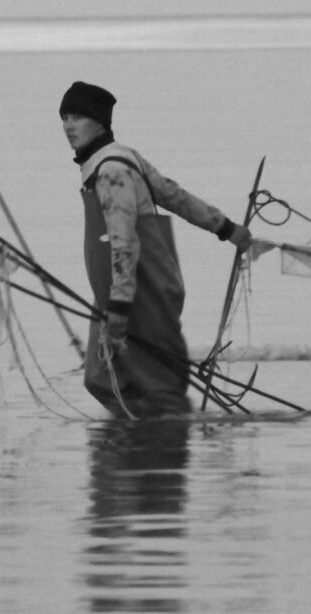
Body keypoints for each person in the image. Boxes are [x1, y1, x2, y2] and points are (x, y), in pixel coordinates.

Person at [60, 80, 252, 418]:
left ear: (100, 122)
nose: (68, 126)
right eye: (65, 117)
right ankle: (147, 435)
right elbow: (174, 195)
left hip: (137, 294)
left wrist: (119, 308)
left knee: (108, 380)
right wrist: (226, 227)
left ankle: (154, 437)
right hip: (123, 291)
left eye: (77, 117)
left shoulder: (111, 172)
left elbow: (124, 244)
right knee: (101, 378)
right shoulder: (122, 156)